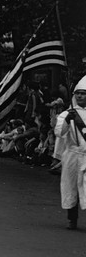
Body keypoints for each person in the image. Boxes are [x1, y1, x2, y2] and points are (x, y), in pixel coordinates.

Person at [54, 74, 86, 230]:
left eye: (83, 93)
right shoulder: (66, 113)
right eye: (78, 93)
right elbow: (59, 132)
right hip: (72, 154)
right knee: (70, 186)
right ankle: (72, 219)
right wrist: (67, 120)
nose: (80, 96)